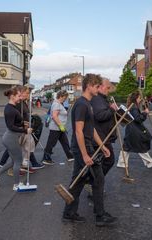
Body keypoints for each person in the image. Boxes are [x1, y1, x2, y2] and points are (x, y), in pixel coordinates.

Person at [62, 73, 117, 227]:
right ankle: (100, 216)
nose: (98, 88)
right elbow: (79, 131)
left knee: (79, 181)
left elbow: (91, 129)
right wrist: (85, 154)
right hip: (83, 148)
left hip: (89, 146)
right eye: (96, 86)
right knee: (98, 179)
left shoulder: (88, 103)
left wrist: (102, 146)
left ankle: (69, 213)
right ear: (89, 86)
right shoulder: (81, 104)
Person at [0, 86, 31, 190]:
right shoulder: (9, 109)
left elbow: (15, 122)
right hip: (10, 138)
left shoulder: (12, 107)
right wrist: (25, 130)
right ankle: (16, 185)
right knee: (18, 161)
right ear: (12, 96)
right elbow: (11, 126)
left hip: (10, 137)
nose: (20, 97)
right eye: (18, 96)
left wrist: (23, 123)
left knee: (13, 161)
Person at [116, 91, 152, 169]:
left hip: (130, 129)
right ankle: (149, 162)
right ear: (136, 98)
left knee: (126, 147)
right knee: (140, 145)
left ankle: (121, 163)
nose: (140, 99)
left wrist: (142, 113)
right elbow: (138, 119)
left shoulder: (132, 106)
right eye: (139, 98)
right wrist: (145, 113)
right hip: (134, 130)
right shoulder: (134, 107)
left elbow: (136, 116)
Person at [90, 78, 118, 175]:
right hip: (101, 137)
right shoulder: (98, 99)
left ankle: (94, 182)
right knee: (107, 161)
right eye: (108, 87)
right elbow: (100, 115)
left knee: (103, 162)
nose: (109, 90)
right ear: (101, 87)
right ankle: (93, 182)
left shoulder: (101, 99)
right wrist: (111, 109)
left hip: (104, 136)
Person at [42, 90, 74, 165]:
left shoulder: (59, 103)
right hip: (56, 128)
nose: (66, 99)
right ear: (61, 96)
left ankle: (70, 156)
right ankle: (46, 158)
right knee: (51, 143)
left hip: (59, 128)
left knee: (65, 142)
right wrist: (61, 126)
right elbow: (54, 116)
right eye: (65, 97)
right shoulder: (56, 104)